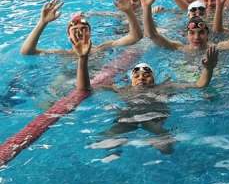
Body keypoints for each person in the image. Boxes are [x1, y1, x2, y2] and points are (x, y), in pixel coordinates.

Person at [71, 29, 218, 154]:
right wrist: (82, 59)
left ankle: (135, 141)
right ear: (131, 80)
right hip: (128, 119)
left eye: (146, 75)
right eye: (136, 75)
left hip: (154, 119)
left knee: (167, 149)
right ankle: (119, 145)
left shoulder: (164, 87)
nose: (141, 77)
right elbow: (84, 88)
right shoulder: (121, 89)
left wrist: (209, 69)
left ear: (153, 79)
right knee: (99, 140)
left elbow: (199, 85)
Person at [20, 0, 143, 56]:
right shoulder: (64, 54)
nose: (80, 32)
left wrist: (129, 12)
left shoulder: (102, 48)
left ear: (90, 33)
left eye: (84, 28)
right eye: (75, 30)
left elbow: (136, 37)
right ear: (69, 36)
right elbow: (27, 51)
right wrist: (42, 23)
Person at [141, 0, 229, 52]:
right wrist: (146, 8)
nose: (196, 37)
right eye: (192, 33)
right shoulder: (180, 48)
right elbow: (152, 35)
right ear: (186, 35)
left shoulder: (217, 48)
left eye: (201, 32)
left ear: (207, 34)